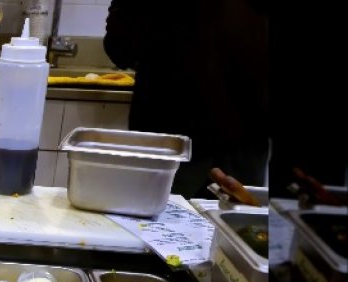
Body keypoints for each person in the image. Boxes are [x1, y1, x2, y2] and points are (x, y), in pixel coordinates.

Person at [103, 0, 268, 198]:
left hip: (171, 138)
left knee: (158, 222)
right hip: (242, 139)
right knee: (237, 226)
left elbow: (119, 47)